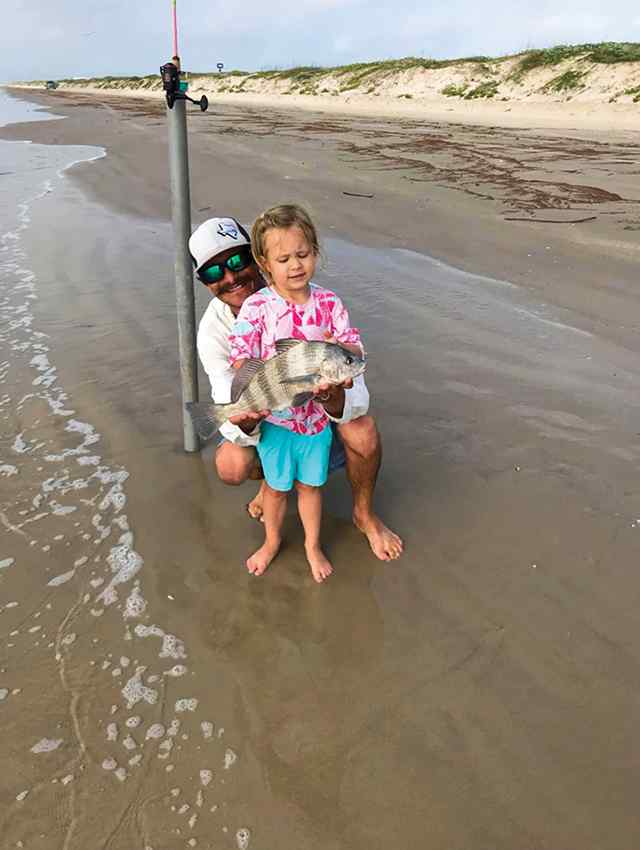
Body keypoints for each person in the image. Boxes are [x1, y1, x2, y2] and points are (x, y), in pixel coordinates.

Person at [189, 214, 403, 563]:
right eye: (213, 272)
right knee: (231, 463)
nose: (229, 277)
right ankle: (273, 484)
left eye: (236, 261)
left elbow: (357, 397)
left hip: (320, 421)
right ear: (204, 282)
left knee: (363, 432)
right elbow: (233, 400)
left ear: (255, 259)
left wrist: (334, 397)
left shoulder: (320, 304)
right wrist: (246, 420)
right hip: (273, 422)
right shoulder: (213, 331)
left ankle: (364, 515)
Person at [228, 204, 364, 581]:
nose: (295, 265)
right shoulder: (257, 306)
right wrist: (256, 396)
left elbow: (352, 349)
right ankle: (271, 540)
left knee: (310, 488)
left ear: (315, 252)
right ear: (264, 263)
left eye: (302, 254)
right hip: (275, 423)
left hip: (316, 426)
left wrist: (341, 368)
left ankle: (311, 545)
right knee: (274, 489)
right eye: (283, 258)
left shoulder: (330, 303)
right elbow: (241, 356)